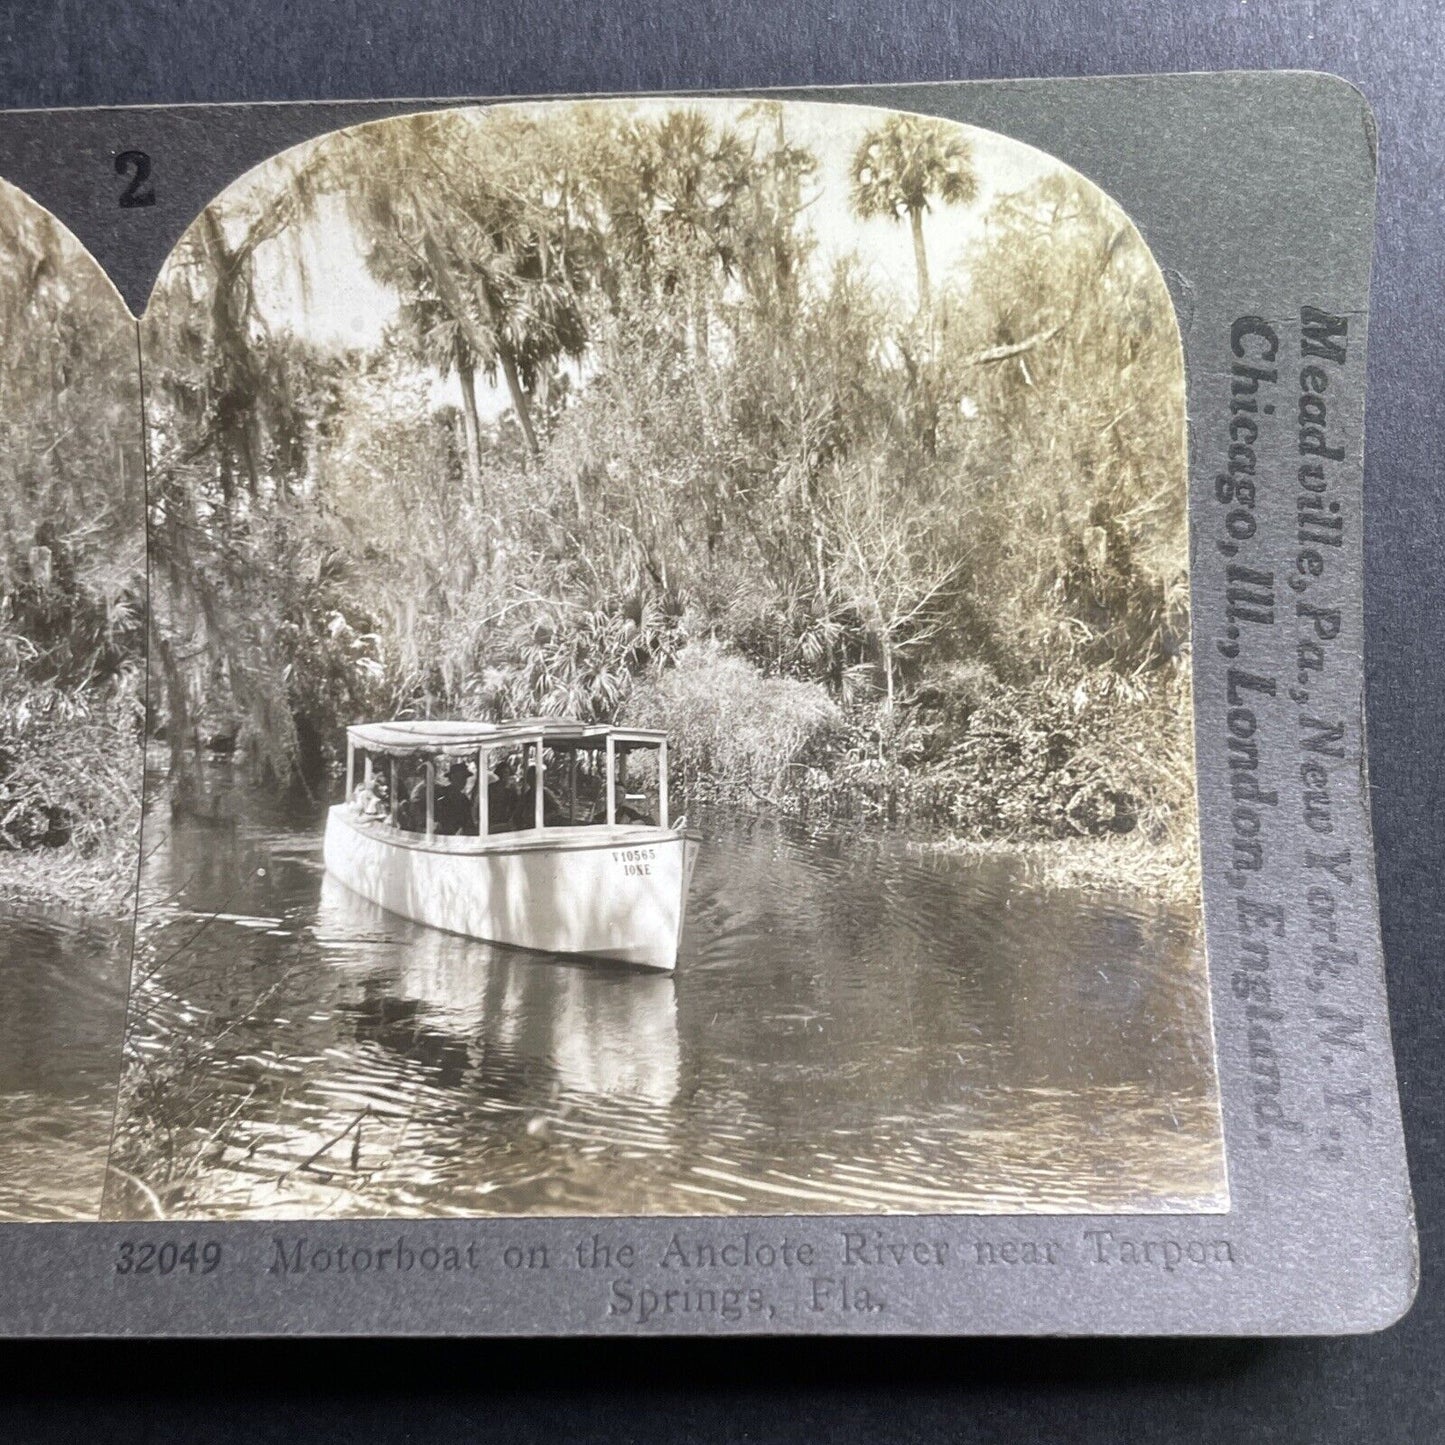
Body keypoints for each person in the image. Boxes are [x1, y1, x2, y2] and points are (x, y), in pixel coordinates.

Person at [433, 760, 473, 836]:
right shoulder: (443, 794)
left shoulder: (464, 799)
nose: (463, 781)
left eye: (464, 778)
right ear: (452, 778)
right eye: (460, 778)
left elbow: (468, 823)